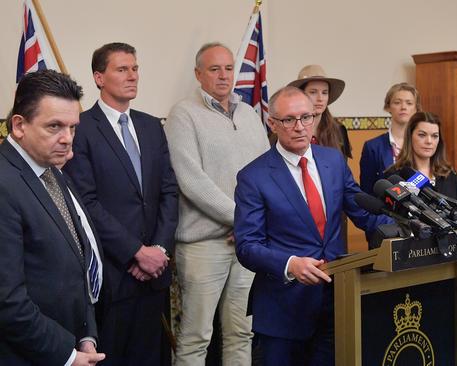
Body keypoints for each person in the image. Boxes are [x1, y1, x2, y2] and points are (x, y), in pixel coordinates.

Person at [234, 86, 389, 366]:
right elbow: (247, 246)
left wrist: (406, 227)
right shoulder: (253, 177)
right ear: (272, 123)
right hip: (283, 310)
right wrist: (291, 264)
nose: (299, 127)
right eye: (289, 120)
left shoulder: (332, 161)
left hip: (336, 300)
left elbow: (363, 212)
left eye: (307, 117)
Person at [63, 42, 179, 366]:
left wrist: (159, 250)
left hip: (155, 273)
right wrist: (135, 252)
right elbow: (85, 202)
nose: (132, 76)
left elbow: (169, 192)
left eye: (135, 68)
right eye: (122, 69)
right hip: (114, 275)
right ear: (99, 78)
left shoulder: (151, 126)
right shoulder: (81, 128)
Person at [164, 42, 270, 365]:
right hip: (204, 245)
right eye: (214, 69)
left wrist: (249, 225)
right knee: (197, 337)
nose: (223, 75)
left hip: (246, 244)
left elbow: (267, 170)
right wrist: (242, 219)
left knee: (242, 333)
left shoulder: (250, 114)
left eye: (228, 68)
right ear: (198, 74)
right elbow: (191, 181)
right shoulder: (183, 114)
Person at [0, 69, 106, 366]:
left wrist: (87, 336)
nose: (67, 139)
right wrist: (67, 355)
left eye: (73, 127)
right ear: (19, 126)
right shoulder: (4, 183)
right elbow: (7, 300)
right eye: (55, 126)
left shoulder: (50, 171)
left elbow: (77, 261)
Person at [385, 111, 457, 200]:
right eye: (422, 135)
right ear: (410, 137)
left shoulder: (449, 174)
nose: (429, 141)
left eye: (434, 136)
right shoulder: (395, 175)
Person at [359, 82, 421, 194]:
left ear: (416, 108)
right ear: (388, 107)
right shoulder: (373, 147)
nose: (403, 107)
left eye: (409, 103)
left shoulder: (424, 143)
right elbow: (367, 190)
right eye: (397, 102)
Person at [288, 64, 351, 158]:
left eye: (325, 92)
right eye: (313, 92)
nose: (320, 98)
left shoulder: (339, 130)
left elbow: (343, 169)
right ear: (300, 94)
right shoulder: (287, 129)